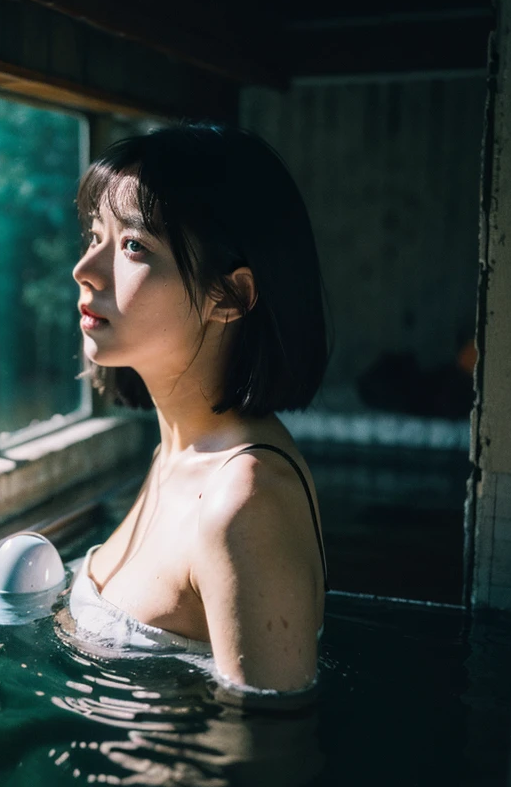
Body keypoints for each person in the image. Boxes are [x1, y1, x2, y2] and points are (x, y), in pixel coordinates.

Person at [68, 121, 333, 693]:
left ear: (230, 296)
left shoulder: (243, 503)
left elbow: (264, 765)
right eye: (94, 236)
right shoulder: (180, 451)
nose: (84, 271)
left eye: (133, 246)